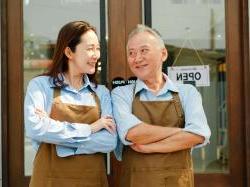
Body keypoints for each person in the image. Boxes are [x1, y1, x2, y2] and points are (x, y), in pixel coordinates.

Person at [112, 24, 211, 187]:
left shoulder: (187, 92)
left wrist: (149, 148)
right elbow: (132, 133)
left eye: (144, 50)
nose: (137, 58)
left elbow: (198, 135)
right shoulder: (121, 94)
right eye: (131, 53)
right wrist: (182, 133)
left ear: (163, 54)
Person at [24, 21, 117, 187]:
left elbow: (109, 141)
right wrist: (91, 128)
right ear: (68, 52)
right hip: (49, 181)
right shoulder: (40, 86)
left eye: (97, 48)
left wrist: (58, 141)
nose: (96, 54)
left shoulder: (101, 92)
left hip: (92, 181)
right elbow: (36, 129)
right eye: (90, 48)